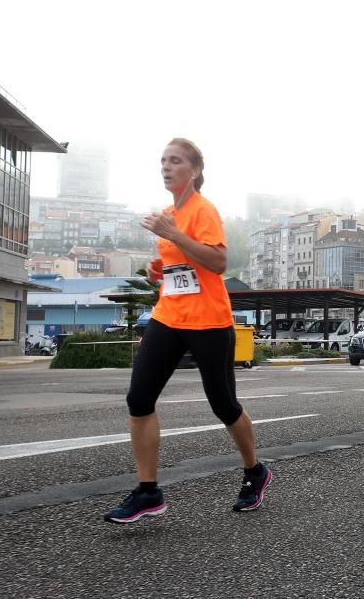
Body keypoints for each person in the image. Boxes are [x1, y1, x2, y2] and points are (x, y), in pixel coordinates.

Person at [104, 138, 270, 524]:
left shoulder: (202, 210)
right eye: (162, 160)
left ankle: (254, 471)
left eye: (175, 161)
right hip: (168, 316)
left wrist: (175, 235)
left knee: (223, 405)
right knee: (139, 398)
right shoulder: (167, 213)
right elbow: (179, 263)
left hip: (208, 321)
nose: (166, 167)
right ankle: (148, 491)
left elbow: (217, 261)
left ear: (194, 171)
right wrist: (156, 267)